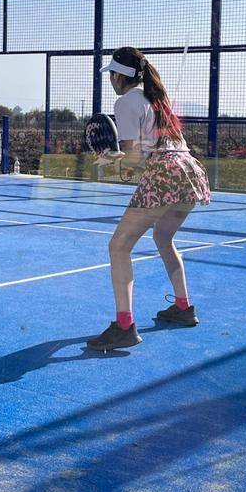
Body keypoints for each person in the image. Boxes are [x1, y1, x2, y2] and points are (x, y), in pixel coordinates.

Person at [86, 47, 210, 351]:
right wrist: (124, 162)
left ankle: (124, 327)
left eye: (112, 75)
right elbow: (147, 157)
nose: (111, 80)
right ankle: (183, 307)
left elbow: (132, 159)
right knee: (163, 237)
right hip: (189, 171)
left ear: (119, 76)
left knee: (118, 246)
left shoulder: (126, 101)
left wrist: (109, 159)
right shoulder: (158, 99)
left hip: (165, 172)